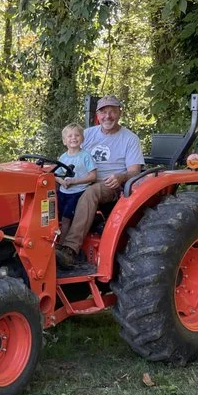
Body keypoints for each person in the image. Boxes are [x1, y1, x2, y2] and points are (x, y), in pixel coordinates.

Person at [55, 96, 144, 269]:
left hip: (108, 184)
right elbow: (71, 153)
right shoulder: (88, 134)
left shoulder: (130, 139)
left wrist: (119, 177)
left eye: (112, 111)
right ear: (97, 115)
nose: (107, 116)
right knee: (47, 185)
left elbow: (135, 171)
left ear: (119, 113)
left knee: (91, 192)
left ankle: (69, 249)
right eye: (103, 112)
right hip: (81, 179)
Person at [55, 123, 97, 244]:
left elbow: (93, 176)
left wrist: (74, 181)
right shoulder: (63, 157)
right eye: (70, 136)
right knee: (58, 217)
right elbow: (56, 175)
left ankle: (61, 245)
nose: (73, 138)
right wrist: (61, 181)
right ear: (64, 141)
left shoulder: (85, 156)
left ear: (82, 139)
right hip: (64, 192)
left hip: (78, 193)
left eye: (77, 135)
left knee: (66, 219)